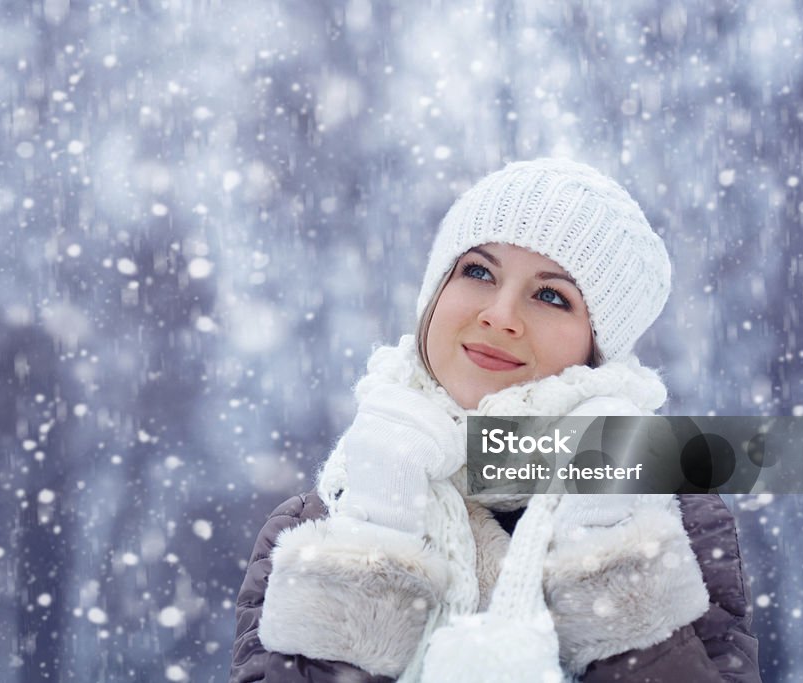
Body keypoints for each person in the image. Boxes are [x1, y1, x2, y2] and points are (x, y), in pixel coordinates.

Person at [229, 159, 761, 682]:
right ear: (434, 294)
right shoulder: (317, 524)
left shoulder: (672, 517)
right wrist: (373, 540)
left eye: (551, 296)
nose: (501, 316)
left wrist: (608, 555)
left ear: (597, 348)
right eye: (478, 271)